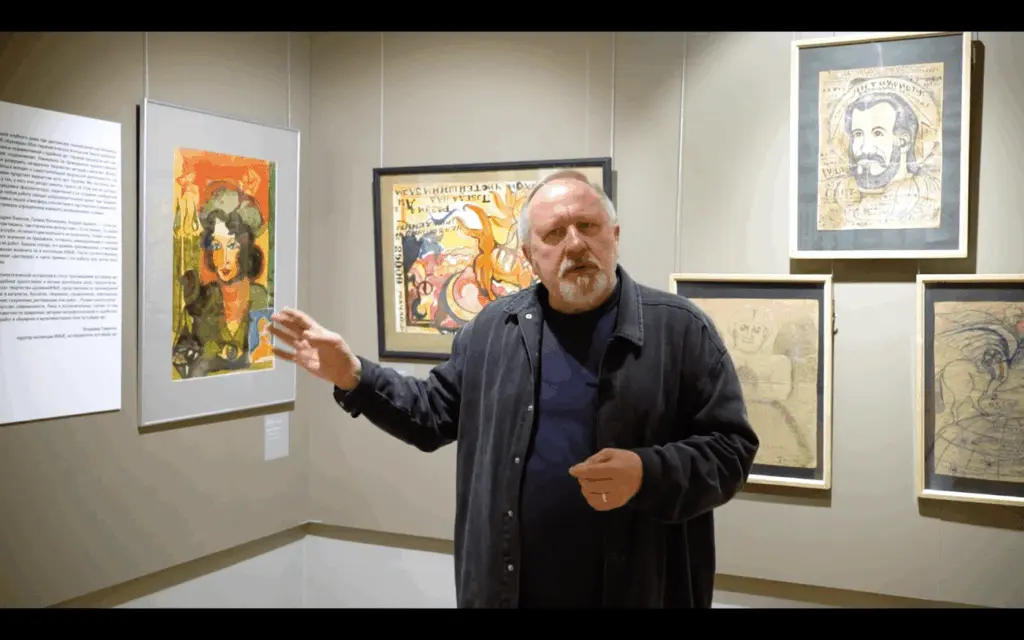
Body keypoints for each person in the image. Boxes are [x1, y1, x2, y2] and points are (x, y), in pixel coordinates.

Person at [270, 169, 759, 608]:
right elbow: (433, 414)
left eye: (587, 226)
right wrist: (354, 375)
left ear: (614, 236)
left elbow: (732, 450)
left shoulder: (680, 330)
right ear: (529, 256)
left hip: (640, 591)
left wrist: (647, 473)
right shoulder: (492, 329)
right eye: (554, 233)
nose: (574, 244)